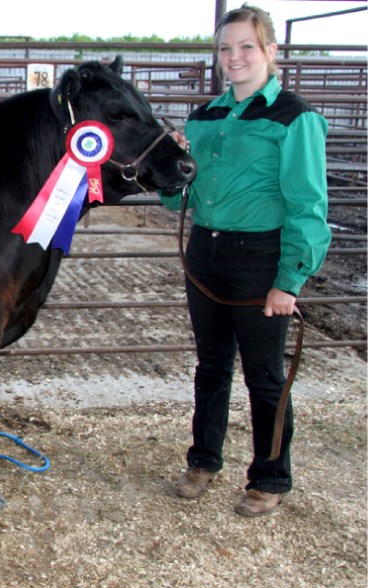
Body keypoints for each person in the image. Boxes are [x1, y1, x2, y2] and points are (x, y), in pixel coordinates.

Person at [159, 4, 331, 517]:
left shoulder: (293, 118)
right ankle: (204, 460)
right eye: (225, 48)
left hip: (260, 257)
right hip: (205, 253)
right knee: (211, 365)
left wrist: (290, 279)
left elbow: (308, 205)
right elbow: (175, 200)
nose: (233, 58)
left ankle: (271, 476)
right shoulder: (204, 118)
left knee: (264, 373)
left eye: (246, 47)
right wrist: (174, 162)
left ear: (271, 52)